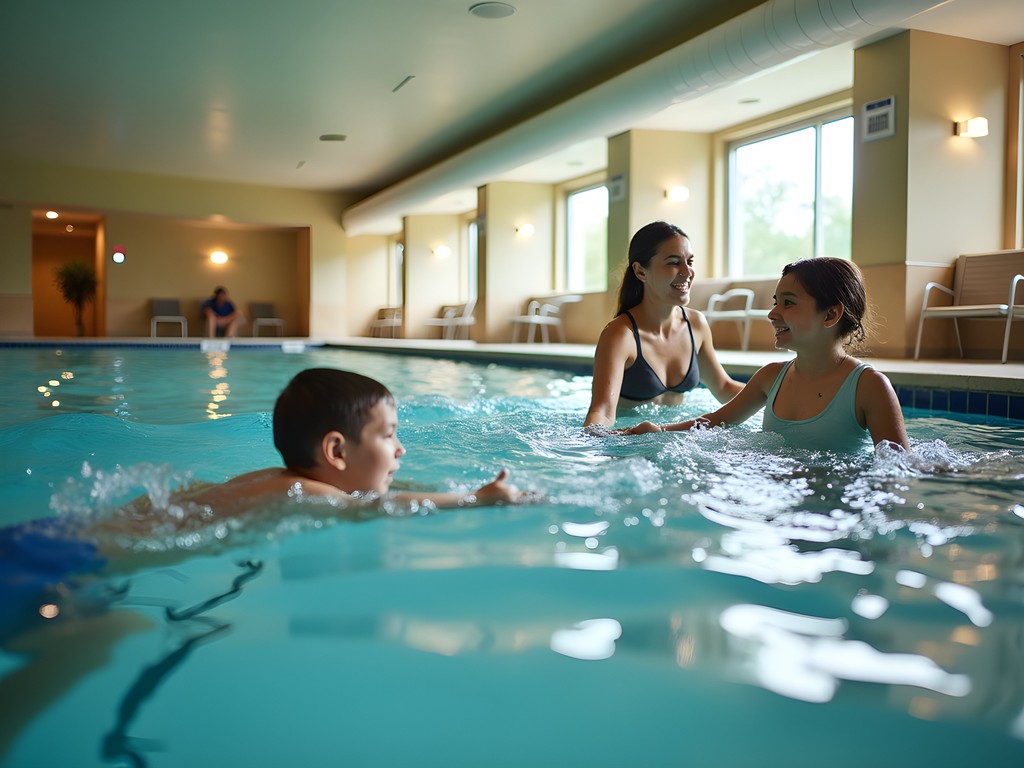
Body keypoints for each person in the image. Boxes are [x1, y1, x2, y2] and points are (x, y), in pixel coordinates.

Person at [625, 257, 909, 452]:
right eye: (776, 302)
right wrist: (661, 431)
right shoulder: (772, 377)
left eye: (788, 303)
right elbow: (715, 421)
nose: (773, 314)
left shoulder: (868, 387)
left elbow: (899, 470)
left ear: (831, 314)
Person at [584, 221, 744, 430]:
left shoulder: (696, 324)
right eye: (673, 262)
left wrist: (776, 393)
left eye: (690, 261)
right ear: (641, 271)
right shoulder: (621, 335)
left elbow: (724, 387)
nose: (687, 272)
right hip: (633, 443)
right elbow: (602, 413)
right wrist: (621, 436)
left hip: (680, 438)